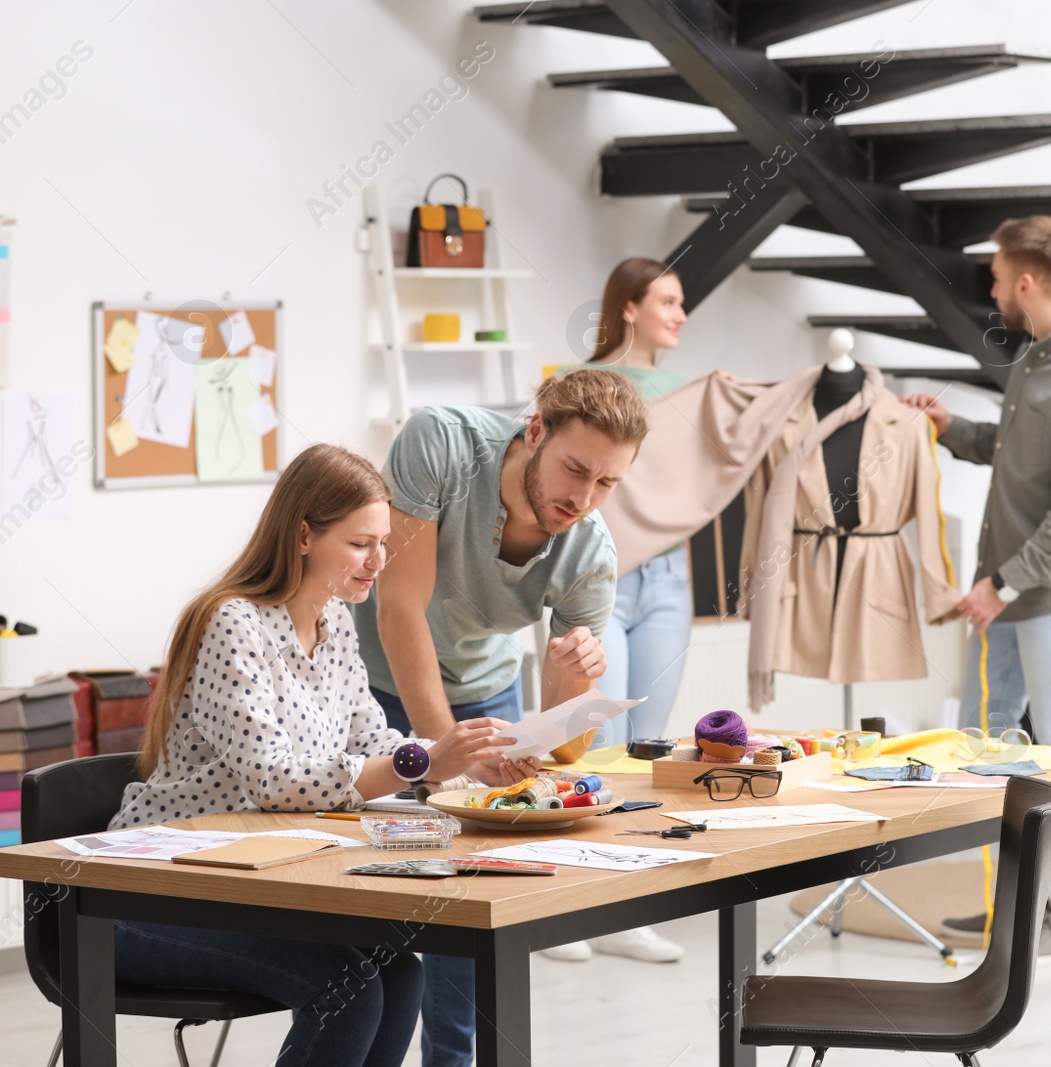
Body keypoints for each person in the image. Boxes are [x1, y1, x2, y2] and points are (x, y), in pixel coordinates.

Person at [112, 444, 539, 1067]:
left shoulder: (334, 620)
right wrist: (422, 763)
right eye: (361, 544)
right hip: (147, 897)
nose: (379, 562)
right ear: (305, 535)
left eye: (384, 543)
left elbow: (372, 739)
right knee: (351, 988)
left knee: (401, 974)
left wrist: (463, 762)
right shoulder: (232, 622)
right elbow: (275, 781)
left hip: (248, 882)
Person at [349, 369, 661, 1067]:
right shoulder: (441, 442)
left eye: (606, 484)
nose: (582, 498)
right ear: (536, 430)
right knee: (370, 880)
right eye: (576, 469)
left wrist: (572, 682)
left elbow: (566, 746)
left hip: (483, 691)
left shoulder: (591, 554)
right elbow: (400, 609)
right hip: (370, 684)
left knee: (477, 883)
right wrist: (442, 753)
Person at [902, 216, 1051, 956]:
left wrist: (1001, 584)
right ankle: (1019, 904)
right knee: (993, 744)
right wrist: (950, 428)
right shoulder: (1040, 355)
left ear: (1027, 282)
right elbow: (1015, 455)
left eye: (999, 278)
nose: (995, 290)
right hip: (1006, 592)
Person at [561, 258, 693, 748]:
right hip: (596, 578)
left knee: (648, 742)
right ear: (630, 309)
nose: (681, 314)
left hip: (668, 580)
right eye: (668, 302)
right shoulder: (579, 384)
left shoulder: (688, 393)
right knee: (599, 737)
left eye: (682, 304)